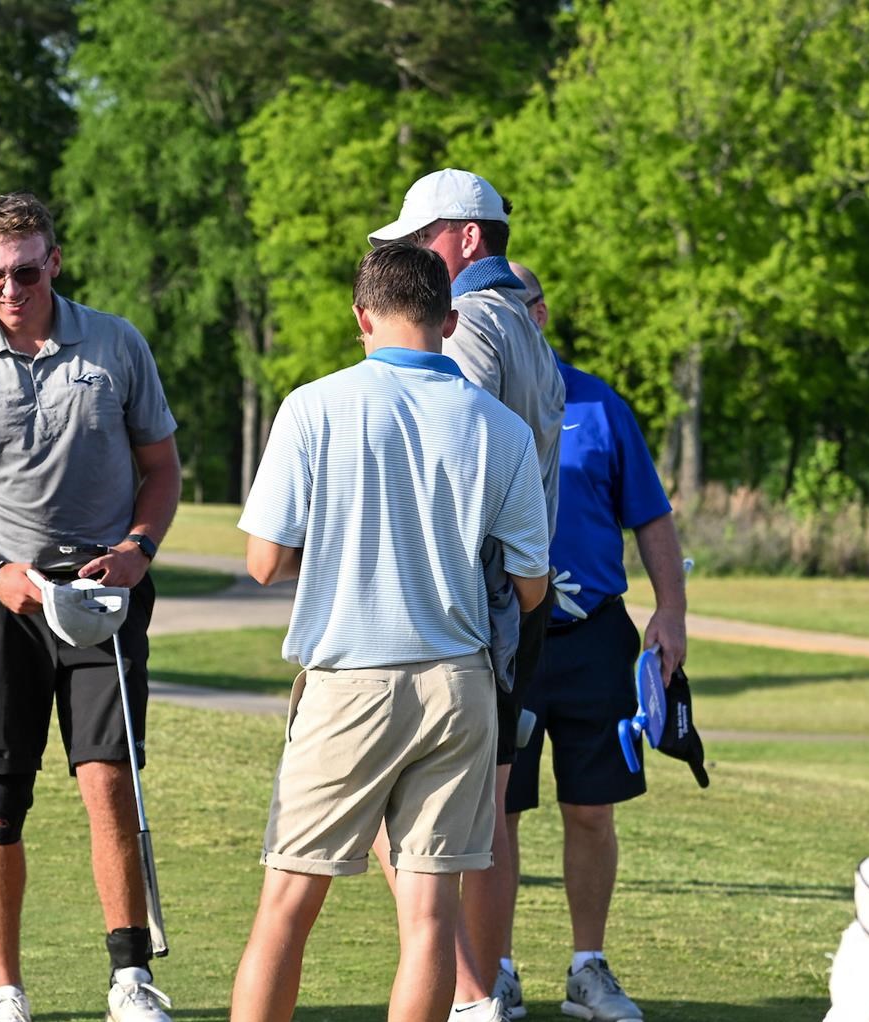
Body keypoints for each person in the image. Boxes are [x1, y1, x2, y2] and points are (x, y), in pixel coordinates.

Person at [231, 244, 551, 1022]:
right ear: (449, 319)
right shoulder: (499, 426)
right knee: (429, 918)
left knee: (287, 904)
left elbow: (264, 561)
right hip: (459, 685)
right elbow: (533, 583)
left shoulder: (313, 406)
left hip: (350, 683)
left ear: (361, 316)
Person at [0, 192, 182, 1022]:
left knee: (109, 781)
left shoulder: (117, 343)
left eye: (24, 271)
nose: (10, 290)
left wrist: (140, 550)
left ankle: (131, 978)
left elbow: (161, 469)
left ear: (53, 260)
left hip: (106, 594)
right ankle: (4, 989)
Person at [369, 168, 563, 1011]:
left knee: (399, 813)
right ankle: (477, 989)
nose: (414, 255)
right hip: (507, 606)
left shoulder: (478, 320)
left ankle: (466, 990)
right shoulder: (525, 324)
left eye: (425, 238)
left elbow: (456, 450)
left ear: (469, 238)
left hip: (457, 604)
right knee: (472, 816)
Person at [495, 262, 690, 1022]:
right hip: (505, 637)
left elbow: (652, 518)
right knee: (497, 812)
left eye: (510, 306)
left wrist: (670, 611)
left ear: (538, 313)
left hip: (595, 637)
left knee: (592, 809)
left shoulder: (599, 404)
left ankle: (586, 968)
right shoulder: (473, 400)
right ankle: (496, 970)